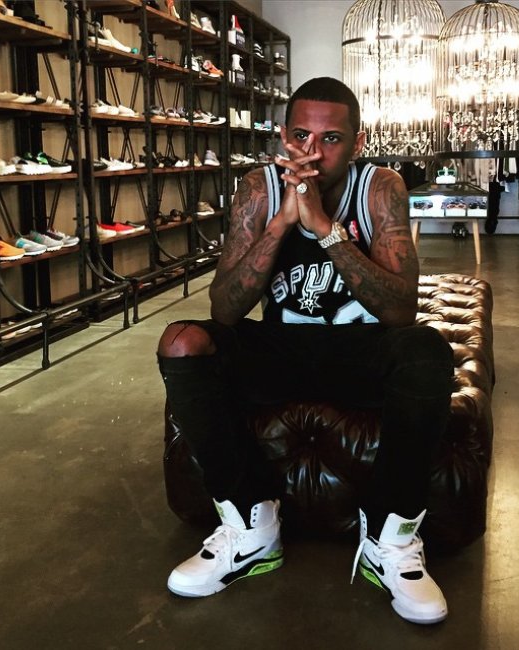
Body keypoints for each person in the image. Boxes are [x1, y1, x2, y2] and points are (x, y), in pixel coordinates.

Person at [157, 77, 454, 625]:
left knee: (426, 349)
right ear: (282, 135)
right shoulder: (259, 188)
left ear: (358, 142)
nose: (312, 153)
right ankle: (250, 525)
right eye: (300, 136)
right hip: (283, 349)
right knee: (183, 341)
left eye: (331, 138)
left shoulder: (380, 187)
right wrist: (282, 224)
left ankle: (389, 536)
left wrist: (323, 227)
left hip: (361, 350)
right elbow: (225, 309)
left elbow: (400, 313)